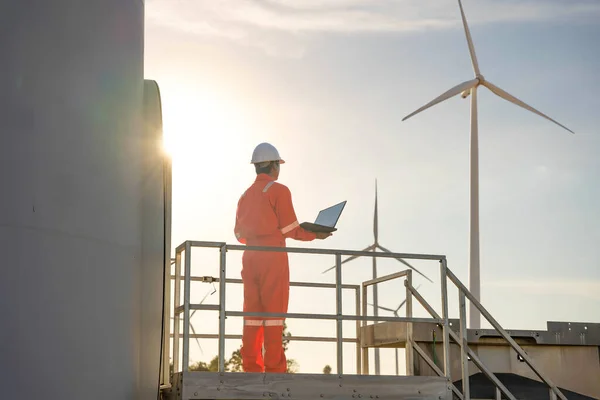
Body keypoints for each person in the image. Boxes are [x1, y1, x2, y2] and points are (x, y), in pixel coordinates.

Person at [234, 142, 332, 373]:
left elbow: (238, 234)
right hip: (273, 256)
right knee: (274, 316)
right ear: (275, 166)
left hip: (249, 257)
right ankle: (275, 370)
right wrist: (314, 235)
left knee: (252, 315)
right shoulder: (279, 191)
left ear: (257, 167)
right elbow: (291, 229)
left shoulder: (244, 196)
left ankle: (251, 368)